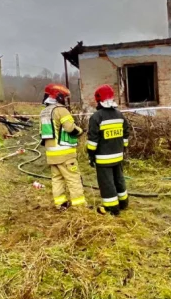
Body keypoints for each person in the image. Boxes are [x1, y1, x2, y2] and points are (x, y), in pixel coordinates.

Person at [39, 84, 86, 209]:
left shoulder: (44, 112)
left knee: (57, 179)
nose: (65, 99)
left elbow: (41, 133)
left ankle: (60, 204)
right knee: (73, 178)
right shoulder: (61, 110)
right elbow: (70, 128)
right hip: (64, 153)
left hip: (51, 154)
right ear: (58, 96)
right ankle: (79, 206)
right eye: (64, 97)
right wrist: (80, 131)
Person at [86, 84, 130, 215]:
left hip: (104, 158)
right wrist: (123, 149)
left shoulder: (96, 117)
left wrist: (91, 156)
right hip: (118, 155)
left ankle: (112, 208)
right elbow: (125, 134)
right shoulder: (119, 115)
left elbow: (93, 141)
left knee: (107, 182)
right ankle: (123, 203)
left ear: (98, 100)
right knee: (119, 179)